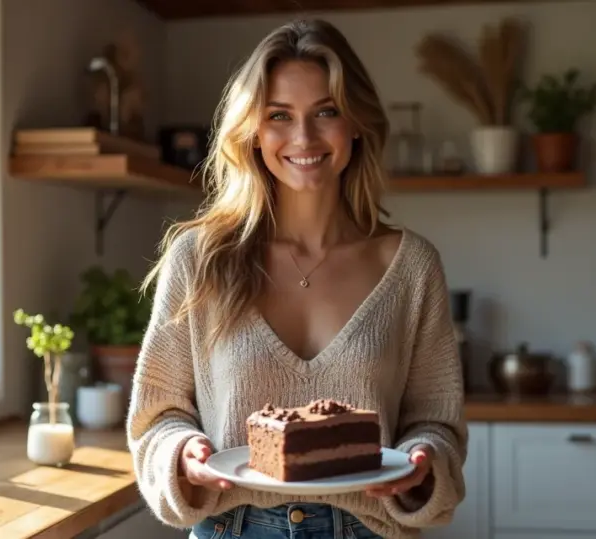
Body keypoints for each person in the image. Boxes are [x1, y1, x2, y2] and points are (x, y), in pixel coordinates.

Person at [126, 18, 467, 539]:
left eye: (325, 111)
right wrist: (182, 453)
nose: (303, 137)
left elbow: (436, 422)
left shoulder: (413, 267)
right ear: (254, 132)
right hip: (230, 528)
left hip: (369, 530)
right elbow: (157, 417)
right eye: (279, 115)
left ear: (355, 122)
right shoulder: (200, 259)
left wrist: (424, 459)